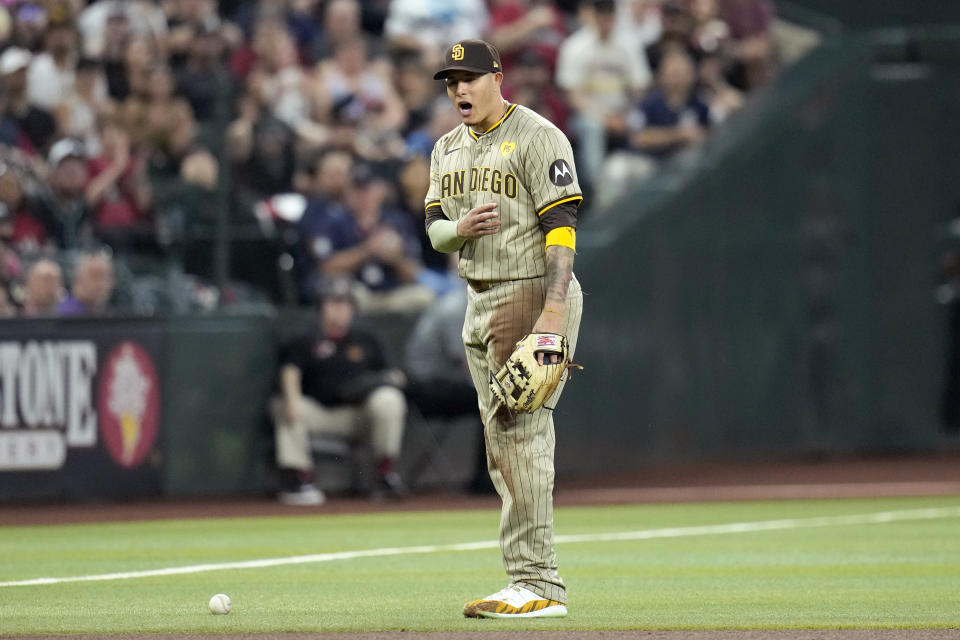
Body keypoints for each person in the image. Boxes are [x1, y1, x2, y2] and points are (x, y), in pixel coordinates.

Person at [425, 39, 583, 619]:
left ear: (497, 76)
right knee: (502, 442)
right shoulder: (445, 149)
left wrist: (555, 309)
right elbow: (436, 231)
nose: (460, 89)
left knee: (520, 434)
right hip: (478, 296)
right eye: (451, 81)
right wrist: (460, 229)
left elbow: (562, 225)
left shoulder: (539, 135)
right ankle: (530, 578)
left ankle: (538, 583)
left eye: (469, 77)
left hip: (529, 288)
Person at [270, 275, 409, 505]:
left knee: (389, 399)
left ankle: (384, 475)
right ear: (321, 306)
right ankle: (298, 479)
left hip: (359, 414)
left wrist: (373, 384)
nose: (340, 309)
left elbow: (394, 375)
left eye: (345, 303)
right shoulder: (305, 338)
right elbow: (290, 372)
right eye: (333, 302)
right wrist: (292, 399)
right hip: (320, 413)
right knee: (285, 404)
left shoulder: (366, 338)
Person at [57, 250, 115, 316]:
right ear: (78, 279)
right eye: (95, 276)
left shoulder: (117, 314)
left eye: (106, 277)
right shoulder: (63, 314)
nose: (100, 284)